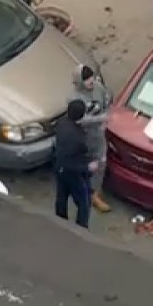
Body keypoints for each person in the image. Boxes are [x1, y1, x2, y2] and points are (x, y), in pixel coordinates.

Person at [71, 65, 111, 213]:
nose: (91, 82)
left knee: (101, 162)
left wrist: (106, 117)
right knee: (89, 164)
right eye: (87, 80)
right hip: (84, 137)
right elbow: (78, 119)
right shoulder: (75, 99)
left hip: (98, 134)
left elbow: (107, 100)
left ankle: (94, 191)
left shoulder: (98, 88)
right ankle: (89, 192)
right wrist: (100, 118)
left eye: (91, 78)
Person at [53, 99, 98, 228]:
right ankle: (81, 228)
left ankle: (60, 221)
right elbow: (71, 161)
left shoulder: (61, 123)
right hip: (72, 173)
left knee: (61, 196)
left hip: (59, 167)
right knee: (84, 202)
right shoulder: (78, 138)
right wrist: (88, 167)